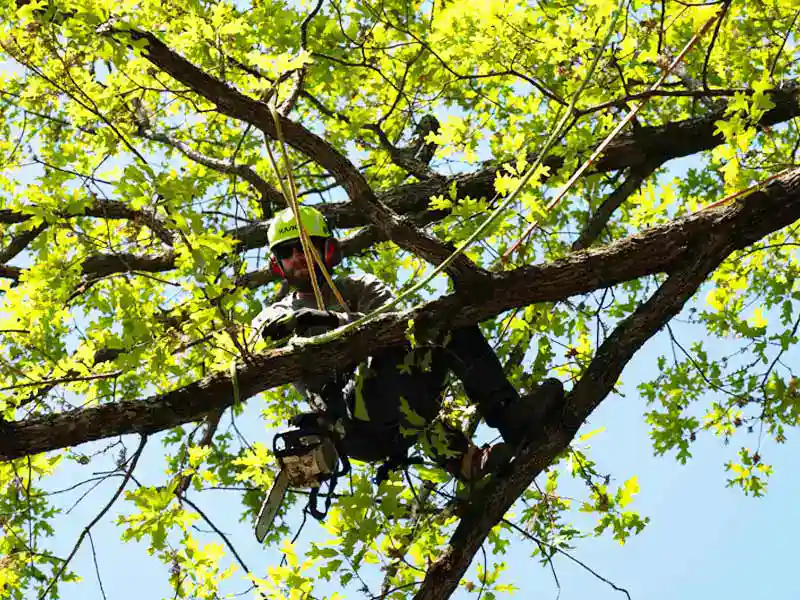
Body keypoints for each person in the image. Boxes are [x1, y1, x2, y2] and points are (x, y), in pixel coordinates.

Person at [254, 205, 564, 483]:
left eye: (305, 246)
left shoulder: (360, 286)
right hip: (352, 422)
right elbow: (267, 348)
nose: (297, 256)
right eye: (287, 251)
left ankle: (501, 424)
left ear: (327, 249)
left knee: (446, 323)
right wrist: (296, 328)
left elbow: (395, 328)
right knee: (384, 363)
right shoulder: (276, 313)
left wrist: (330, 319)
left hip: (402, 401)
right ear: (278, 263)